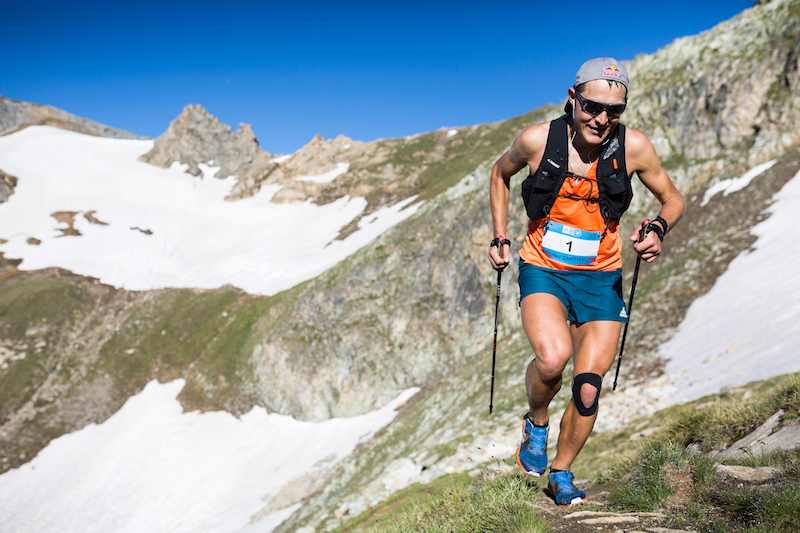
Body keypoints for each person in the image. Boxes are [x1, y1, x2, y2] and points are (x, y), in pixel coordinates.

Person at [488, 58, 685, 507]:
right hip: (544, 267)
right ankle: (536, 422)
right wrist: (499, 236)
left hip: (601, 276)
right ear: (573, 98)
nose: (601, 119)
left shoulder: (633, 147)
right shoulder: (537, 140)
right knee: (553, 358)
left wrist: (656, 229)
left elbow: (672, 199)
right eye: (593, 107)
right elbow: (499, 175)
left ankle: (561, 471)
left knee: (588, 386)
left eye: (614, 111)